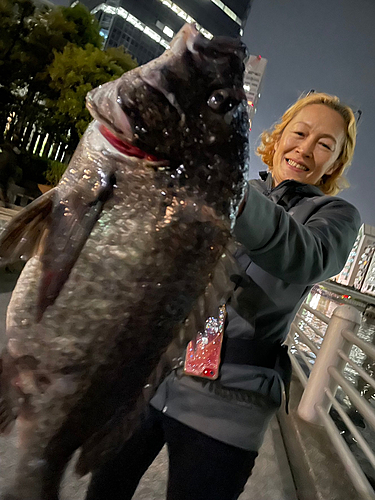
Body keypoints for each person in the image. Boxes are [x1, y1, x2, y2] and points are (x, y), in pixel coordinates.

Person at [85, 92, 361, 500]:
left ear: (334, 163)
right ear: (279, 136)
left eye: (324, 144)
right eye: (299, 133)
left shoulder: (335, 216)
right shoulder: (242, 186)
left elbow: (306, 255)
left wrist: (229, 192)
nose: (305, 148)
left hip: (228, 407)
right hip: (149, 378)